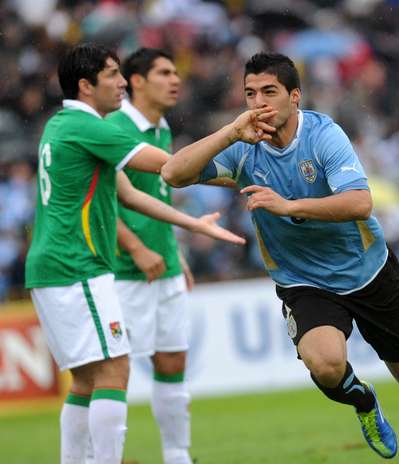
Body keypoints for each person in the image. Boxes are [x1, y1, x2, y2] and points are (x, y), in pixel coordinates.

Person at [162, 52, 399, 463]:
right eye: (250, 93)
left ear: (295, 96)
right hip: (304, 281)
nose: (258, 102)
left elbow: (360, 203)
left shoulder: (324, 135)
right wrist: (230, 133)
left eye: (270, 91)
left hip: (368, 271)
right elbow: (172, 174)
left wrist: (289, 206)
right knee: (325, 365)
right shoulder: (244, 146)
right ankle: (364, 402)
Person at [24, 43, 248, 464]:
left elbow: (126, 193)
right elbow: (173, 167)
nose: (122, 82)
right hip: (77, 267)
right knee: (114, 371)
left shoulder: (64, 126)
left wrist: (192, 225)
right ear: (86, 85)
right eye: (112, 74)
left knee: (88, 380)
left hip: (57, 267)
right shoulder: (91, 127)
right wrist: (235, 145)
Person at [105, 48, 192, 464]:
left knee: (173, 359)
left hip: (167, 266)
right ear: (136, 81)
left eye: (175, 71)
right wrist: (136, 247)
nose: (174, 79)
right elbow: (102, 202)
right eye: (164, 72)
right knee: (110, 373)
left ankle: (177, 456)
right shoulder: (114, 127)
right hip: (123, 269)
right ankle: (101, 456)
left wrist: (177, 254)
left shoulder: (161, 129)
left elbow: (160, 196)